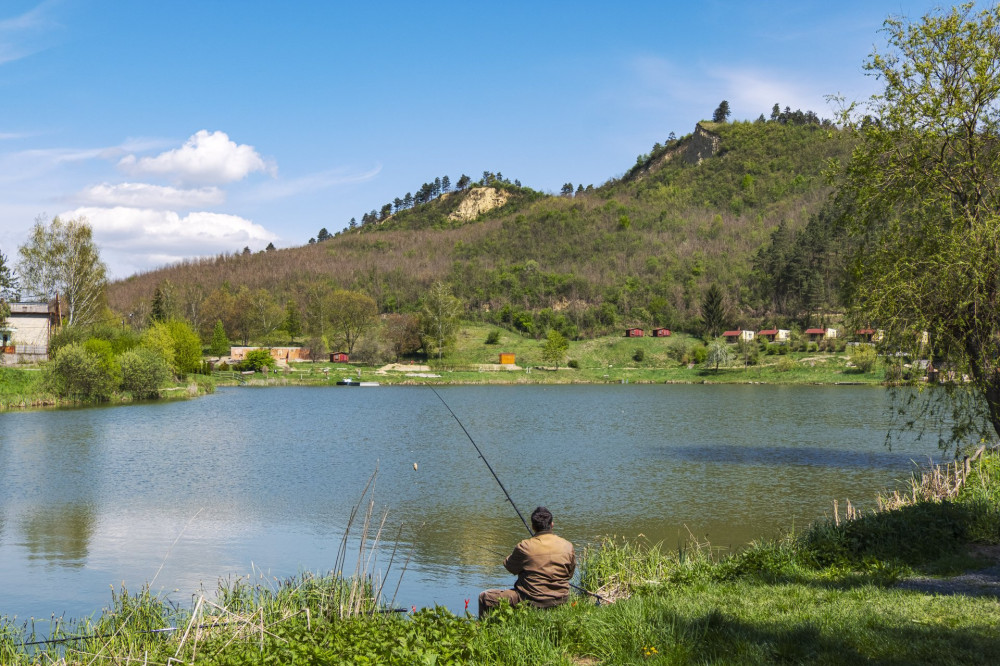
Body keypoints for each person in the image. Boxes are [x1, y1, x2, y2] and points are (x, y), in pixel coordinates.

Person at [478, 506, 576, 618]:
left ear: (533, 527)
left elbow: (510, 567)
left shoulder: (525, 546)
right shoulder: (567, 546)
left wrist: (511, 557)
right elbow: (570, 574)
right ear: (552, 524)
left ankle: (485, 630)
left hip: (532, 600)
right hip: (561, 599)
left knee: (485, 597)